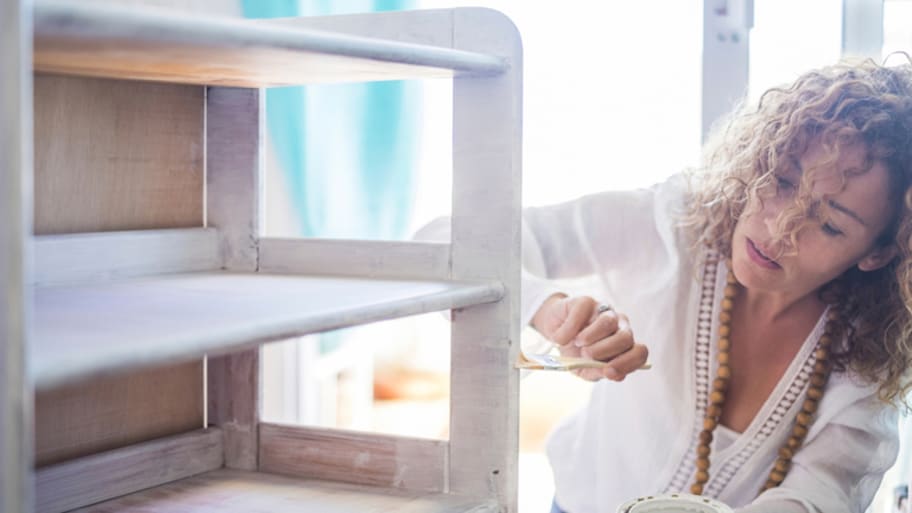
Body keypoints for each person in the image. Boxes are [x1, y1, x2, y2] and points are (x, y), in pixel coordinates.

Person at [516, 59, 912, 513]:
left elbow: (822, 494)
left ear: (878, 253)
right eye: (781, 181)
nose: (779, 229)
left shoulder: (871, 359)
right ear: (762, 155)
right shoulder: (673, 227)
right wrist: (554, 313)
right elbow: (449, 239)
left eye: (828, 224)